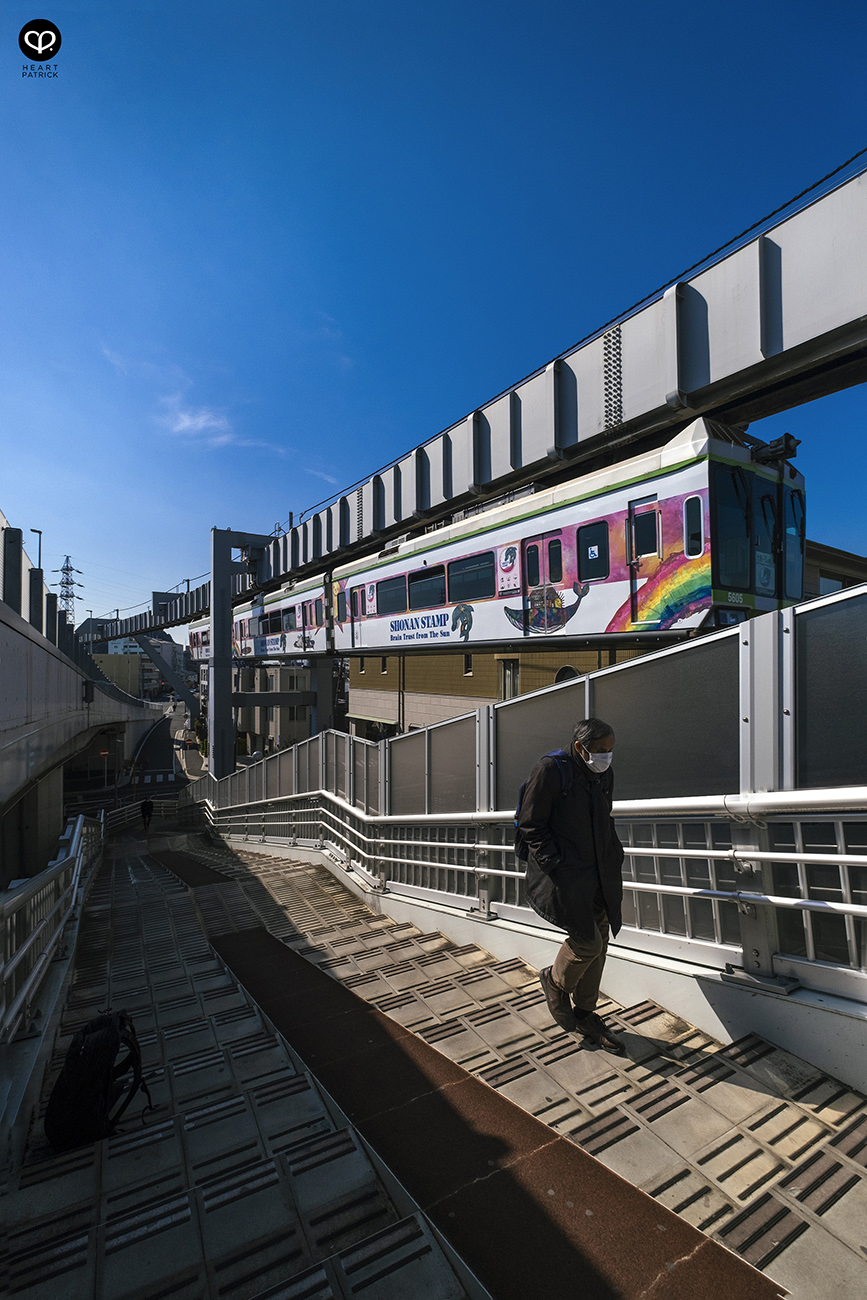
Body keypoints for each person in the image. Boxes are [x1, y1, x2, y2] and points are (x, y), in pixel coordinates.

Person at [518, 717, 626, 1054]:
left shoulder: (602, 773)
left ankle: (585, 1013)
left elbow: (603, 818)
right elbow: (530, 823)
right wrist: (556, 866)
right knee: (587, 943)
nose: (607, 757)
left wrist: (614, 854)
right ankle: (553, 980)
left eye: (610, 750)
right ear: (580, 747)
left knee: (601, 939)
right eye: (600, 751)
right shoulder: (551, 770)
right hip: (567, 874)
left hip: (598, 872)